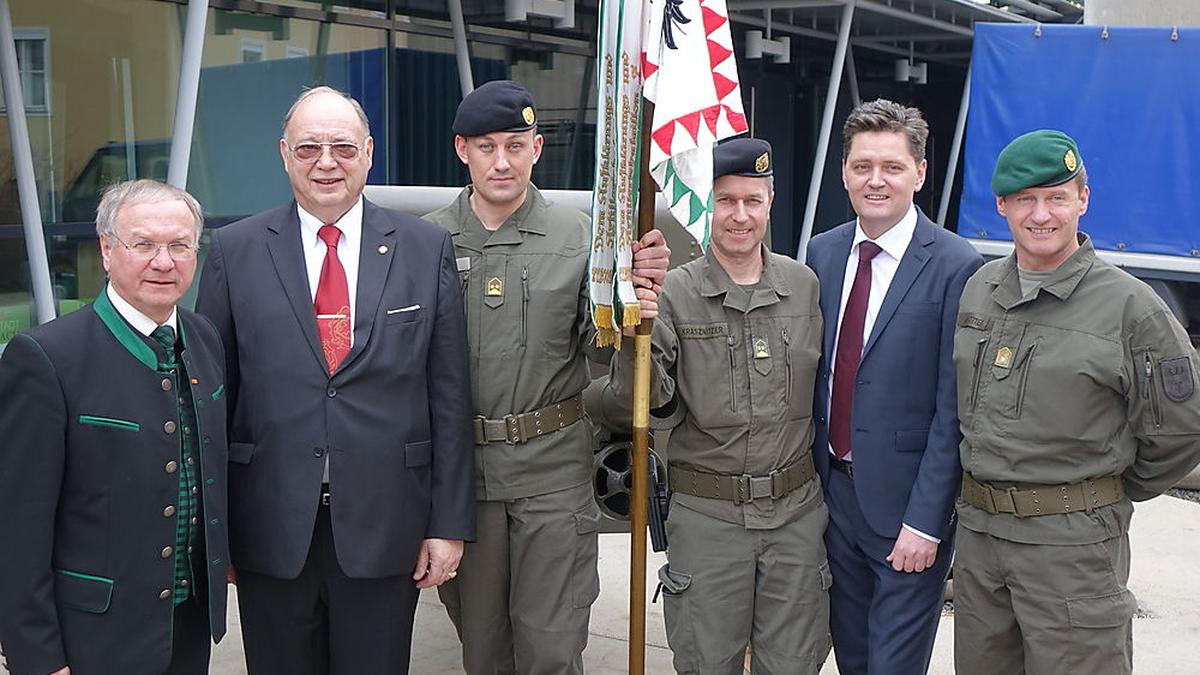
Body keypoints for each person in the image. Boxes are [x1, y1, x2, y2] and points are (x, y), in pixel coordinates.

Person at [195, 86, 474, 674]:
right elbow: (214, 403)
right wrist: (215, 532)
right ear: (284, 154)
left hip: (386, 525)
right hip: (269, 528)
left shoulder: (425, 247)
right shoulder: (233, 250)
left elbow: (448, 395)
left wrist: (448, 526)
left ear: (370, 153)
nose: (327, 162)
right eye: (309, 148)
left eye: (343, 147)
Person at [423, 79, 669, 675]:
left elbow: (607, 348)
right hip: (464, 480)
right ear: (462, 150)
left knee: (552, 650)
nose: (501, 161)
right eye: (486, 147)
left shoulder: (584, 239)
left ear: (537, 148)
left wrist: (636, 304)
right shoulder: (422, 240)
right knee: (484, 652)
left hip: (553, 478)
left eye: (516, 144)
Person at [952, 129, 1200, 675]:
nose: (1041, 215)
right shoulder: (979, 289)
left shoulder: (1133, 308)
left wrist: (1105, 489)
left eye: (1057, 198)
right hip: (981, 543)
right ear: (1002, 206)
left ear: (1082, 200)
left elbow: (1182, 430)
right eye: (1025, 200)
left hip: (1073, 549)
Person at [609, 137, 829, 674]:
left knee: (794, 665)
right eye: (726, 200)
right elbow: (640, 400)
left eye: (752, 200)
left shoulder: (804, 288)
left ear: (771, 201)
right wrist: (636, 326)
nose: (739, 215)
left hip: (795, 518)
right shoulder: (673, 293)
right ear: (708, 204)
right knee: (708, 663)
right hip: (708, 519)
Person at [0, 179, 229, 675]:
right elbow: (17, 525)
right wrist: (36, 657)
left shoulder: (204, 338)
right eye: (143, 244)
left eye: (178, 246)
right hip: (92, 637)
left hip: (187, 627)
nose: (163, 262)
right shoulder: (46, 358)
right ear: (107, 250)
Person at [805, 99, 983, 675]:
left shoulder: (958, 264)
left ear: (920, 173)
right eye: (862, 166)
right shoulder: (822, 253)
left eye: (892, 166)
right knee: (852, 659)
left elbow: (952, 410)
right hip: (833, 504)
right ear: (844, 172)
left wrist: (928, 522)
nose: (875, 180)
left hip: (908, 515)